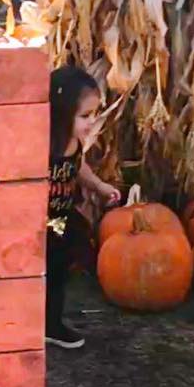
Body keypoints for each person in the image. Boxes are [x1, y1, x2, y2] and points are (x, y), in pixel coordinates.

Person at [46, 64, 120, 349]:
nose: (92, 122)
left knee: (58, 272)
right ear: (62, 112)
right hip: (37, 223)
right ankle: (31, 321)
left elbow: (78, 168)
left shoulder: (73, 142)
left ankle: (50, 323)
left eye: (94, 114)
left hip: (60, 219)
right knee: (38, 273)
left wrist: (99, 186)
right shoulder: (43, 145)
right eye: (85, 115)